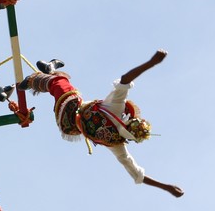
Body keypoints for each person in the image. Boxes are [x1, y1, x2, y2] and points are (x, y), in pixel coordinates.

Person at [18, 50, 183, 198]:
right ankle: (49, 70)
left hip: (72, 123)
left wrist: (166, 187)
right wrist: (151, 62)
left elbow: (136, 173)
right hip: (76, 111)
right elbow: (125, 81)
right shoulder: (117, 113)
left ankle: (36, 78)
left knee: (60, 85)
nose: (128, 118)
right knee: (61, 85)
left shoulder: (117, 139)